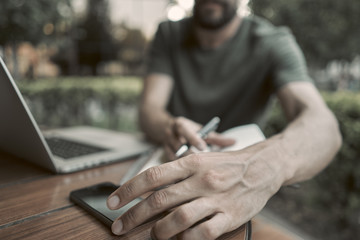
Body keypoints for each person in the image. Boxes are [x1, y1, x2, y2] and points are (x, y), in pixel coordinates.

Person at [107, 0, 342, 239]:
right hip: (163, 177)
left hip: (237, 195)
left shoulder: (273, 41)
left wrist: (260, 167)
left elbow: (324, 127)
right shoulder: (169, 33)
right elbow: (149, 110)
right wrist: (169, 127)